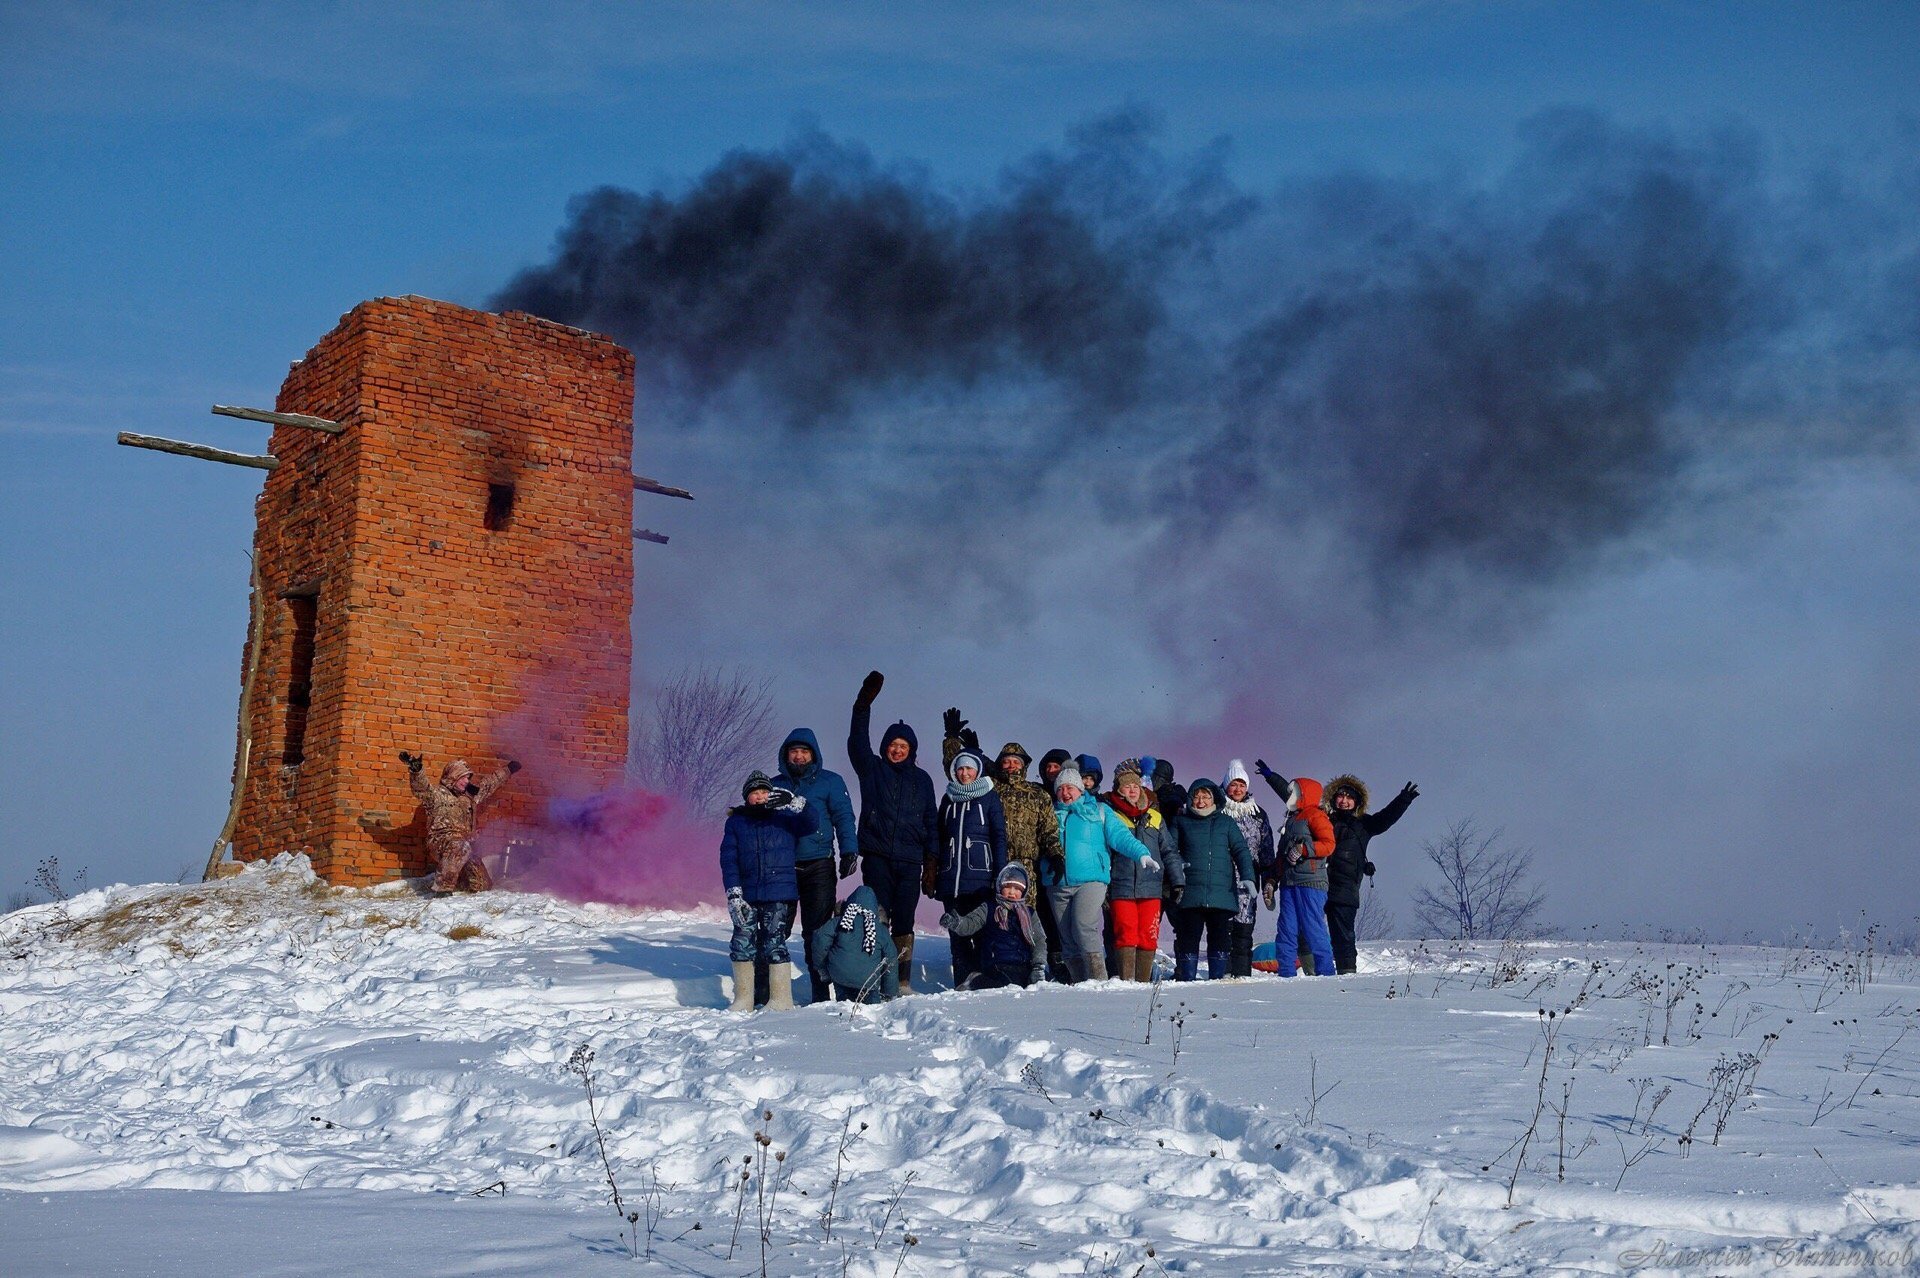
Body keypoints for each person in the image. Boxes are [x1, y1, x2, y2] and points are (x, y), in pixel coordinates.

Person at [846, 671, 938, 993]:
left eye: (903, 746)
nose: (897, 750)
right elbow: (857, 743)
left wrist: (932, 862)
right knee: (878, 916)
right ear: (885, 747)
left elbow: (931, 821)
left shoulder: (923, 780)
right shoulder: (872, 769)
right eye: (892, 745)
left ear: (911, 749)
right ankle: (876, 976)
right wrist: (862, 706)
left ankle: (900, 981)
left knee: (904, 920)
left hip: (910, 861)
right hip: (878, 855)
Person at [720, 771, 820, 1011]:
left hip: (778, 892)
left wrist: (795, 802)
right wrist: (734, 893)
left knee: (774, 942)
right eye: (755, 793)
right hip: (746, 894)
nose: (760, 797)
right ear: (747, 797)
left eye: (765, 791)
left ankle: (780, 999)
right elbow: (729, 859)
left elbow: (812, 823)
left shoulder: (784, 817)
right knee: (742, 941)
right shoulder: (736, 822)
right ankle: (744, 999)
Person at [774, 728, 860, 1004]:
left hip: (819, 865)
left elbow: (844, 817)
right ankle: (772, 990)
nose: (799, 756)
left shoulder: (830, 782)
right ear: (786, 755)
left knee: (818, 932)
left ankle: (820, 991)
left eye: (804, 751)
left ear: (814, 754)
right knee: (777, 928)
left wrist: (849, 851)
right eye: (794, 751)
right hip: (783, 866)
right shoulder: (775, 786)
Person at [1049, 765, 1155, 982]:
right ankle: (1079, 982)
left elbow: (1120, 836)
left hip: (1091, 880)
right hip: (1057, 883)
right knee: (1067, 936)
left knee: (1084, 925)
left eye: (1070, 788)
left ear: (1080, 789)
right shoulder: (1050, 814)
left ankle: (1097, 979)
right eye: (1061, 789)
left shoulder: (1099, 811)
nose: (1066, 793)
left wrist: (1141, 853)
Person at [1322, 774, 1419, 975]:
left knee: (1343, 935)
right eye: (1341, 796)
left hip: (1345, 887)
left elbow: (1385, 818)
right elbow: (1300, 807)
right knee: (1308, 930)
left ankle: (1347, 974)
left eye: (1349, 797)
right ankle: (1309, 975)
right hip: (1318, 883)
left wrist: (1403, 800)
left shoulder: (1363, 824)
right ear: (1334, 798)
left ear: (1356, 802)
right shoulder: (1323, 820)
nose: (1344, 801)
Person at [927, 750, 1008, 988]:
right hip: (951, 878)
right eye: (960, 769)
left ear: (977, 771)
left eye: (969, 769)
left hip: (981, 879)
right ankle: (962, 982)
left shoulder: (989, 797)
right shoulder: (948, 798)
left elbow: (999, 836)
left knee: (981, 934)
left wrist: (1000, 873)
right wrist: (935, 871)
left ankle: (981, 982)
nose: (964, 773)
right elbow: (939, 836)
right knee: (956, 934)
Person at [1253, 761, 1336, 978]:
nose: (1289, 795)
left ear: (1304, 795)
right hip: (1289, 884)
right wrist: (1272, 880)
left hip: (1311, 883)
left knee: (1313, 929)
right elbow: (1282, 856)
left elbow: (1329, 844)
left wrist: (1304, 848)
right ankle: (1286, 975)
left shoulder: (1316, 816)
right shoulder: (1292, 819)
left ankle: (1327, 974)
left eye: (1294, 792)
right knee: (1286, 930)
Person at [1165, 778, 1253, 980]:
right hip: (1190, 892)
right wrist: (1178, 865)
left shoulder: (1226, 822)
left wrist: (1248, 876)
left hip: (1221, 892)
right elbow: (1169, 849)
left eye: (1205, 796)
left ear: (1214, 799)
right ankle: (1187, 978)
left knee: (1220, 937)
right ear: (1190, 799)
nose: (1201, 801)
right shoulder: (1181, 821)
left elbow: (1241, 850)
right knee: (1188, 937)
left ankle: (1217, 978)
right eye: (1197, 797)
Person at [399, 752, 519, 893]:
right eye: (462, 778)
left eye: (468, 778)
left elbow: (488, 785)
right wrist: (416, 771)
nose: (466, 781)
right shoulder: (437, 795)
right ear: (452, 777)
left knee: (483, 885)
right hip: (441, 841)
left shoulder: (469, 797)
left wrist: (508, 770)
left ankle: (459, 883)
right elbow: (422, 789)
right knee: (459, 846)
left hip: (465, 845)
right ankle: (442, 889)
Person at [1100, 758, 1173, 981]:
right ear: (1118, 789)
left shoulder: (1155, 816)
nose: (1131, 790)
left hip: (1151, 886)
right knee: (1125, 933)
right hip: (1122, 885)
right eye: (1126, 786)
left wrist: (1177, 880)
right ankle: (1126, 981)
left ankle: (1142, 982)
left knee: (1149, 935)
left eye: (1135, 785)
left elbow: (1169, 850)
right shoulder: (1110, 815)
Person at [940, 863, 1047, 990]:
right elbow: (970, 924)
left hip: (1024, 964)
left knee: (1041, 986)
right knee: (1010, 987)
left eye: (1017, 889)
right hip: (997, 964)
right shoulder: (989, 908)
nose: (1012, 892)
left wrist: (1038, 967)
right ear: (1000, 887)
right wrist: (956, 923)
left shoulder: (1029, 913)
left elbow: (1039, 940)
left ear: (1024, 891)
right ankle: (975, 981)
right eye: (1008, 887)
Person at [1221, 760, 1276, 978]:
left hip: (1248, 881)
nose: (1237, 790)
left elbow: (1266, 851)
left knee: (1244, 932)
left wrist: (1270, 879)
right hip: (1221, 880)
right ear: (1226, 786)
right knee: (1222, 931)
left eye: (1241, 785)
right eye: (1233, 785)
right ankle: (1222, 974)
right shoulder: (1217, 810)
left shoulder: (1258, 814)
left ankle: (1242, 976)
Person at [809, 885, 900, 1003]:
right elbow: (891, 959)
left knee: (844, 1004)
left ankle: (845, 1011)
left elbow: (819, 940)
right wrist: (889, 992)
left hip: (840, 976)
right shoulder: (879, 929)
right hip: (869, 980)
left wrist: (821, 967)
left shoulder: (840, 922)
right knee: (871, 1006)